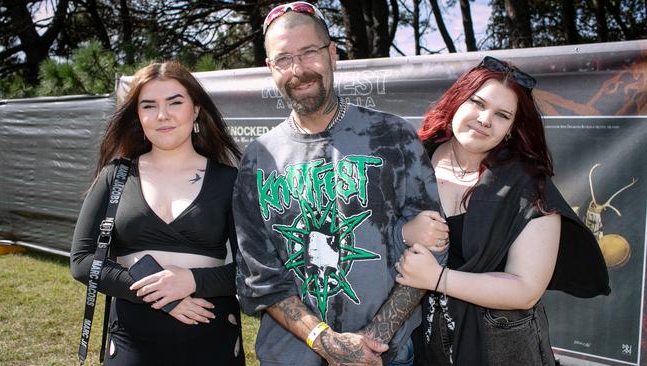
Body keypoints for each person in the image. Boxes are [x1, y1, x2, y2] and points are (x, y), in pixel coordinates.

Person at [233, 2, 444, 365]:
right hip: (291, 356)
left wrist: (373, 340)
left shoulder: (393, 136)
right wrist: (327, 342)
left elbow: (432, 247)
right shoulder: (258, 158)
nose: (298, 70)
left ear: (332, 54)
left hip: (385, 355)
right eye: (284, 58)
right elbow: (260, 279)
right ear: (270, 69)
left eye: (309, 52)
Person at [394, 56, 611, 365]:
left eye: (502, 115)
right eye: (477, 103)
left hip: (500, 347)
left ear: (511, 128)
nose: (484, 119)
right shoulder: (409, 161)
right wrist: (403, 232)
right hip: (415, 344)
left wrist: (437, 278)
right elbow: (364, 239)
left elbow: (525, 289)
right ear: (457, 100)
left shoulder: (528, 186)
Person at [70, 61, 245, 365]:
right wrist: (163, 296)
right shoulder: (116, 176)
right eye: (149, 106)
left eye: (175, 102)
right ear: (138, 116)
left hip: (211, 337)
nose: (162, 115)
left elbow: (251, 268)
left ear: (196, 110)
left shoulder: (229, 180)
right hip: (130, 339)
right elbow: (82, 262)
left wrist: (192, 280)